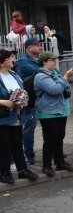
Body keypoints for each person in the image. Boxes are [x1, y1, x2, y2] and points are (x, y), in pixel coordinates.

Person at [34, 51, 73, 176]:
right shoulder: (40, 76)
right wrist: (65, 77)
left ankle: (60, 162)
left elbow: (64, 87)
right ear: (44, 62)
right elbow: (55, 90)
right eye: (52, 60)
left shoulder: (55, 73)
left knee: (59, 138)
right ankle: (46, 165)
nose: (55, 62)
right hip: (48, 112)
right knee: (50, 140)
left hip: (61, 110)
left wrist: (63, 81)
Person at [0, 49, 38, 184]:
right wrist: (4, 102)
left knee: (17, 144)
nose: (13, 60)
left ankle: (22, 170)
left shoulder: (14, 74)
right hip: (2, 117)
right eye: (9, 58)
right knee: (5, 146)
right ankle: (4, 172)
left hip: (16, 115)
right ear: (2, 62)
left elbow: (22, 90)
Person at [14, 36, 42, 165]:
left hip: (40, 99)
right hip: (30, 101)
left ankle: (52, 151)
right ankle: (29, 155)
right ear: (29, 48)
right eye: (37, 45)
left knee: (47, 126)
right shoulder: (24, 62)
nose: (40, 47)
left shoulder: (36, 61)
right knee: (29, 128)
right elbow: (41, 73)